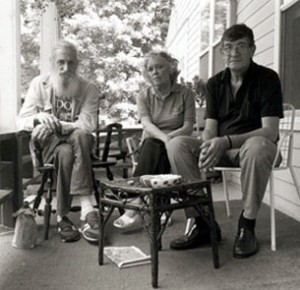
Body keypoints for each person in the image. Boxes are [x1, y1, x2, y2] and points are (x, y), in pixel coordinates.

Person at [166, 24, 283, 258]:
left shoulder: (267, 78)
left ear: (252, 49)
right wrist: (209, 143)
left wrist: (226, 141)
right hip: (223, 147)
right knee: (176, 144)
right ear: (221, 52)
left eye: (240, 47)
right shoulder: (215, 83)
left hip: (257, 149)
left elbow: (269, 132)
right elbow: (210, 128)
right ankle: (203, 222)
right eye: (228, 48)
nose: (233, 53)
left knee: (257, 147)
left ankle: (246, 225)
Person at [17, 40, 100, 243]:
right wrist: (38, 119)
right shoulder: (39, 84)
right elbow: (20, 120)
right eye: (60, 62)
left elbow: (88, 124)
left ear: (77, 64)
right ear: (52, 62)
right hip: (47, 145)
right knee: (74, 139)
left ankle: (63, 217)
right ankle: (87, 208)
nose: (66, 68)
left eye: (71, 63)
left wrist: (57, 124)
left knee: (69, 148)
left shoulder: (89, 88)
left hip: (78, 145)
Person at [113, 51, 196, 230]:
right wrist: (165, 138)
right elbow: (146, 124)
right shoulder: (143, 95)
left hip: (178, 145)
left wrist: (170, 141)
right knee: (154, 145)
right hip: (154, 143)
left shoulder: (185, 93)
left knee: (168, 148)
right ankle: (159, 207)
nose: (155, 72)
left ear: (171, 69)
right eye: (150, 69)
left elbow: (188, 126)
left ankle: (135, 203)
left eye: (160, 67)